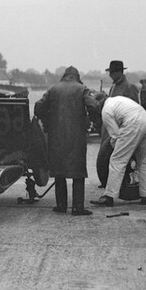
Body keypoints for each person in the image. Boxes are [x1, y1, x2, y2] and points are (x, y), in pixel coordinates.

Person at [34, 66, 99, 216]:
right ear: (76, 77)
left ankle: (61, 206)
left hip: (56, 137)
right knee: (78, 172)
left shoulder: (53, 89)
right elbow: (93, 105)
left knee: (59, 171)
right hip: (76, 137)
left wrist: (47, 122)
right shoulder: (82, 89)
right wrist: (92, 121)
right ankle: (77, 208)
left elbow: (38, 108)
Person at [90, 95, 146, 207]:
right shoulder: (117, 100)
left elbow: (115, 136)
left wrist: (126, 152)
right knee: (144, 161)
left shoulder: (105, 111)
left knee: (117, 160)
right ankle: (145, 196)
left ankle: (109, 197)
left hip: (134, 123)